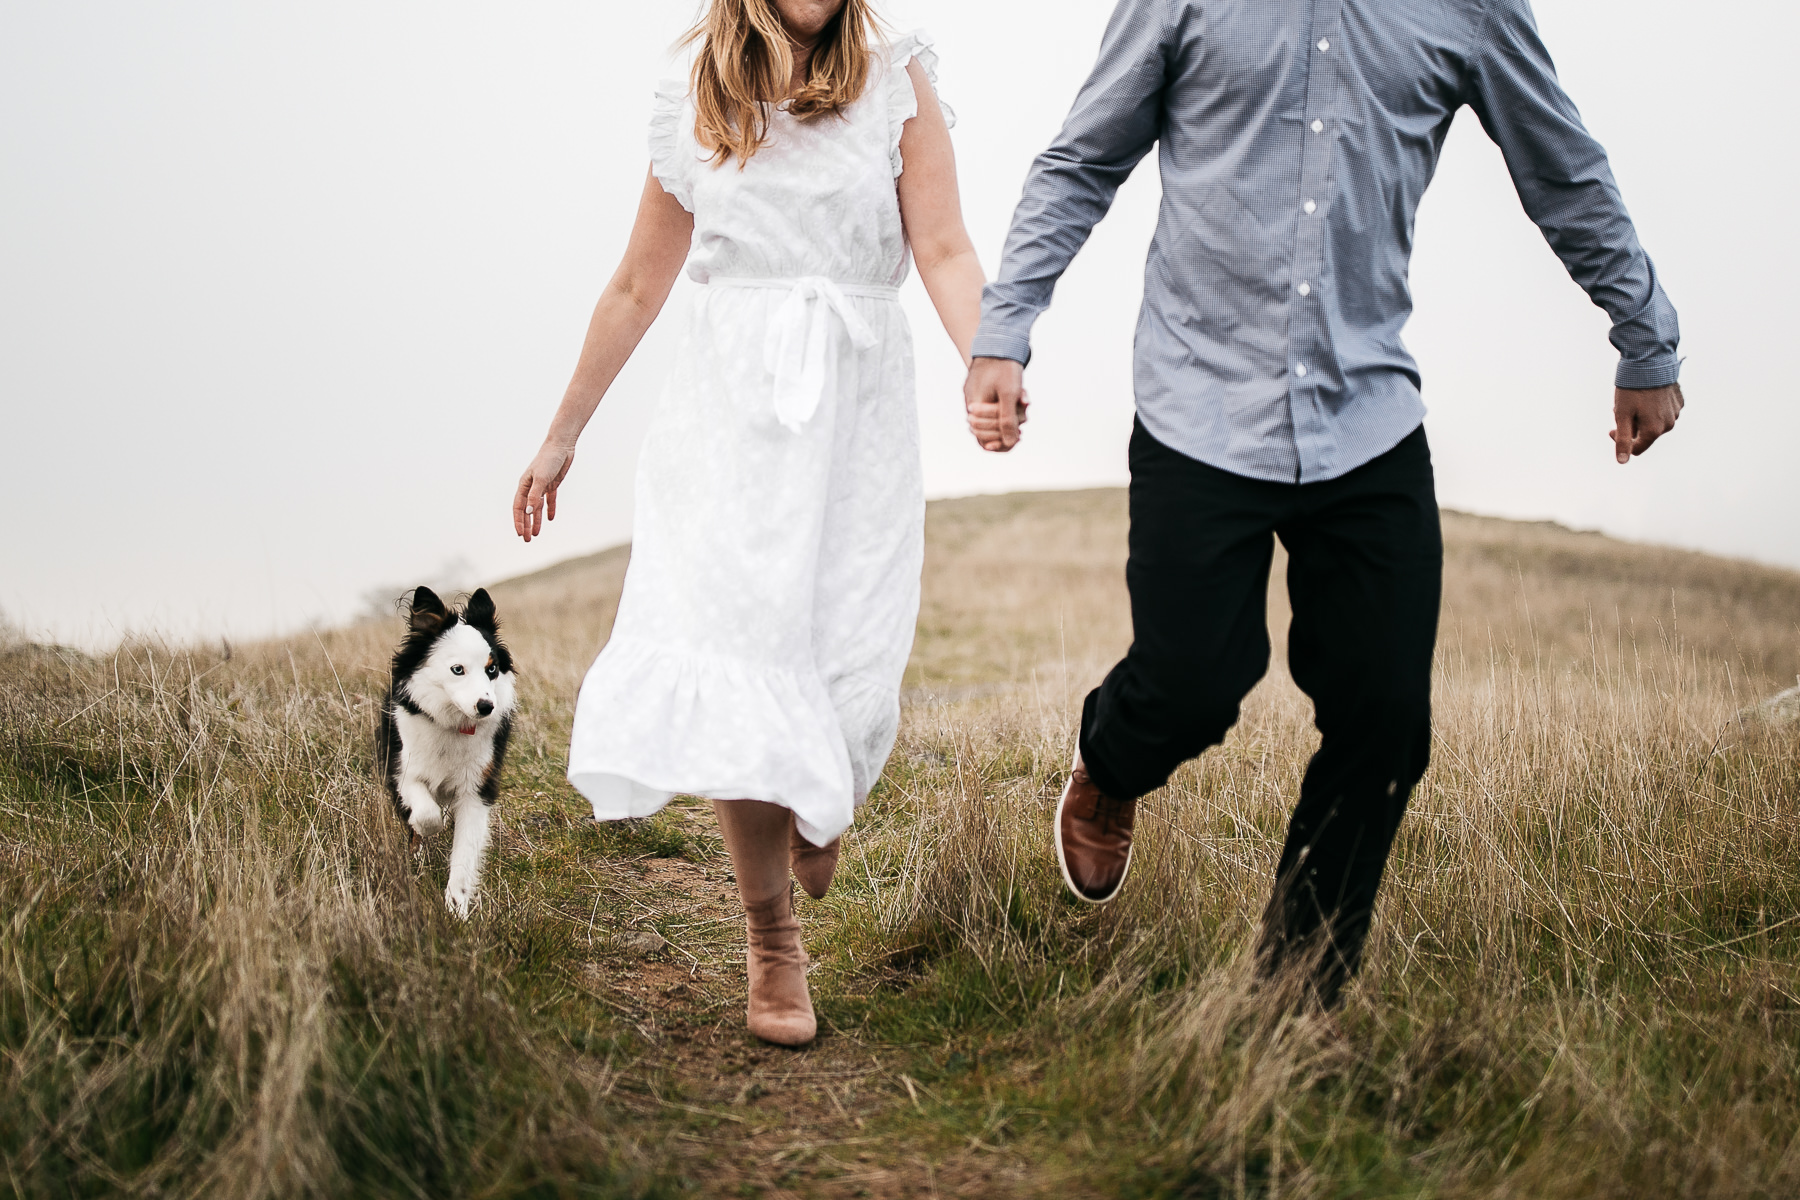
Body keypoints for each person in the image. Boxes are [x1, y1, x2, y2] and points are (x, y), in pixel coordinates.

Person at [963, 0, 1684, 1009]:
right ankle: (1110, 764)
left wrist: (1642, 338)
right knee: (1196, 680)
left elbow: (1560, 168)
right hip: (1200, 400)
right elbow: (1081, 161)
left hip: (1364, 412)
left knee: (1386, 724)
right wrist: (1006, 332)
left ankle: (1295, 1004)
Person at [513, 0, 983, 1046]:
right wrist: (562, 435)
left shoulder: (899, 82)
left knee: (852, 669)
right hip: (726, 422)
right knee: (737, 660)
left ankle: (822, 796)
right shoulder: (694, 101)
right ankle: (772, 943)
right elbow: (638, 285)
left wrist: (988, 361)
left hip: (855, 414)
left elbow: (944, 249)